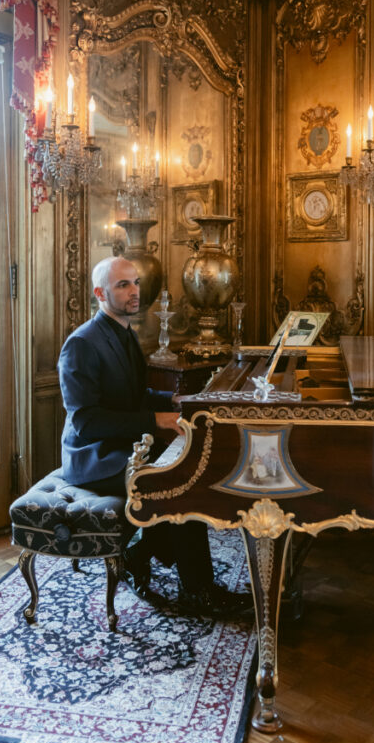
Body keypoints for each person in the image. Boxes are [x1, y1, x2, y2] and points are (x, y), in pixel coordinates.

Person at [58, 254, 249, 617]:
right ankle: (198, 591)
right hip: (93, 456)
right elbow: (87, 422)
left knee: (184, 476)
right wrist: (155, 419)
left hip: (124, 446)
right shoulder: (82, 343)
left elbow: (134, 396)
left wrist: (176, 401)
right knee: (175, 484)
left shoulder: (125, 333)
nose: (135, 292)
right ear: (100, 293)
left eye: (136, 283)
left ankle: (141, 555)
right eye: (123, 285)